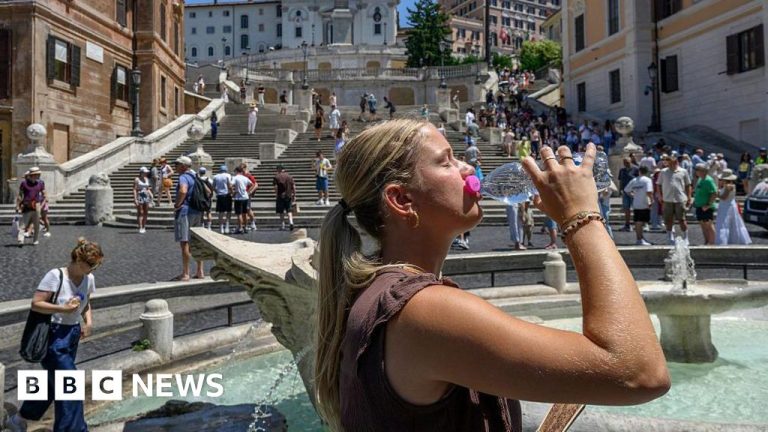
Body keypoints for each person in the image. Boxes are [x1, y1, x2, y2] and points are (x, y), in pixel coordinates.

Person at [314, 120, 669, 431]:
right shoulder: (422, 310)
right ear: (402, 200)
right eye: (446, 161)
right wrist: (582, 216)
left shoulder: (383, 293)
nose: (468, 167)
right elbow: (638, 372)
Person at [6, 238, 103, 432]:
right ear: (79, 260)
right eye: (92, 265)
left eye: (96, 266)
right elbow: (36, 303)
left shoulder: (89, 279)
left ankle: (20, 418)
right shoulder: (55, 276)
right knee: (69, 382)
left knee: (54, 383)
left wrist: (88, 322)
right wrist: (62, 309)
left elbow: (87, 303)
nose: (94, 269)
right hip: (53, 336)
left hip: (72, 334)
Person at [172, 156, 204, 281]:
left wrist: (177, 205)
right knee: (196, 241)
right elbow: (207, 190)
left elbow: (183, 190)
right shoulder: (196, 177)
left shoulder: (183, 177)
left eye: (177, 164)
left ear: (184, 166)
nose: (175, 166)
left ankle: (185, 273)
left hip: (185, 211)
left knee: (184, 242)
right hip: (197, 211)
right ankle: (200, 271)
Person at [657, 152, 692, 244]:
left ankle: (686, 237)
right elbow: (659, 184)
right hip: (667, 198)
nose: (669, 164)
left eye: (671, 162)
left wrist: (689, 197)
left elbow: (688, 185)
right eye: (668, 162)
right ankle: (670, 237)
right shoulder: (663, 172)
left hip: (680, 198)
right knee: (668, 219)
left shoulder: (683, 171)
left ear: (676, 162)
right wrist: (660, 196)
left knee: (682, 219)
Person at [715, 169, 752, 245]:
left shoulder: (729, 186)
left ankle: (722, 240)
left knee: (724, 222)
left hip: (727, 206)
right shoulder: (728, 186)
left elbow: (724, 197)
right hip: (727, 205)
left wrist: (717, 194)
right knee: (731, 222)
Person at [624, 166, 654, 245]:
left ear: (639, 171)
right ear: (647, 172)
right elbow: (649, 192)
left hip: (636, 204)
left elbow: (626, 190)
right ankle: (640, 239)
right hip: (645, 204)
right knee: (641, 223)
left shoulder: (634, 180)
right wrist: (652, 201)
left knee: (638, 222)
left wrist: (633, 195)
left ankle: (640, 238)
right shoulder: (648, 180)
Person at [15, 167, 46, 246]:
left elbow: (44, 194)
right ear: (32, 175)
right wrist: (18, 205)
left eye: (39, 174)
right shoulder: (24, 183)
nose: (39, 176)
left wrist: (42, 204)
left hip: (37, 205)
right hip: (27, 205)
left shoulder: (40, 183)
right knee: (23, 224)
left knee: (36, 224)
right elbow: (20, 195)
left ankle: (35, 240)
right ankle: (20, 240)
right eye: (37, 174)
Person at [692, 163, 717, 245]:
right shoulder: (700, 179)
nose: (696, 171)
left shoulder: (708, 180)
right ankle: (706, 242)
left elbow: (714, 193)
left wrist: (708, 205)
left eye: (697, 169)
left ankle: (712, 243)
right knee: (703, 225)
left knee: (709, 225)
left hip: (706, 206)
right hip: (699, 205)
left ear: (703, 171)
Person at [232, 166, 255, 234]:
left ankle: (240, 228)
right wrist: (248, 192)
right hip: (245, 197)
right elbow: (252, 184)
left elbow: (230, 185)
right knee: (245, 213)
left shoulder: (235, 178)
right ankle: (245, 227)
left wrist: (233, 192)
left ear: (236, 171)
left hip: (238, 198)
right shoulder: (245, 178)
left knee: (239, 214)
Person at [618, 158, 638, 231]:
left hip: (634, 192)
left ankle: (637, 224)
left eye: (627, 162)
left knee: (636, 208)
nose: (626, 164)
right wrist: (620, 190)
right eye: (624, 162)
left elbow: (639, 180)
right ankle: (627, 225)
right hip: (625, 192)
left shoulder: (636, 169)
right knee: (626, 208)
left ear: (630, 162)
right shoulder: (622, 170)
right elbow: (620, 180)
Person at [273, 165, 296, 231]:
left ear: (279, 169)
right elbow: (294, 187)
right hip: (288, 195)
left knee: (281, 211)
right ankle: (291, 222)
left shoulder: (276, 177)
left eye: (277, 169)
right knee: (289, 210)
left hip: (280, 195)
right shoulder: (289, 176)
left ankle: (283, 225)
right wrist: (294, 195)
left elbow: (276, 187)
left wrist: (276, 195)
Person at [213, 165, 234, 234]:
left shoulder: (215, 176)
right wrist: (232, 192)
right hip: (227, 195)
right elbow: (230, 185)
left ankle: (221, 227)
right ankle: (227, 226)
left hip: (220, 195)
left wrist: (217, 192)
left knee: (221, 212)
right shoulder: (228, 175)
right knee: (228, 211)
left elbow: (213, 187)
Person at [133, 167, 154, 234]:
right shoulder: (137, 179)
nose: (146, 173)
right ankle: (140, 227)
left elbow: (147, 188)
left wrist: (151, 195)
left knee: (146, 212)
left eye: (146, 172)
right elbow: (134, 189)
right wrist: (135, 199)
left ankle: (144, 226)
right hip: (140, 195)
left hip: (146, 195)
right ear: (141, 172)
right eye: (145, 172)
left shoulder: (147, 179)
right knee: (140, 212)